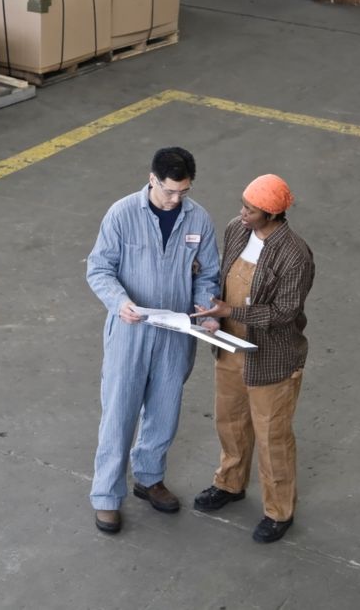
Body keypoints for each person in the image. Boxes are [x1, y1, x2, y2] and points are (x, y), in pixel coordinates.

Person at [87, 147, 221, 534]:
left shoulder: (198, 218)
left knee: (164, 412)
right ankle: (107, 498)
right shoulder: (122, 214)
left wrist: (204, 307)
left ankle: (148, 478)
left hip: (177, 332)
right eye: (170, 191)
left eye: (184, 191)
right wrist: (120, 302)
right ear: (152, 180)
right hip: (131, 331)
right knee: (119, 414)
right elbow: (99, 269)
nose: (177, 199)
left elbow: (208, 275)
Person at [191, 174, 315, 544]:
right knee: (230, 422)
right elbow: (222, 278)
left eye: (250, 209)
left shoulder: (294, 254)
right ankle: (229, 484)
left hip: (273, 359)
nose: (241, 212)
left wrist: (233, 309)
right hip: (230, 346)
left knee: (272, 437)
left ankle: (279, 511)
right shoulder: (237, 230)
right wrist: (214, 310)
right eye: (243, 205)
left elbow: (285, 312)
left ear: (272, 214)